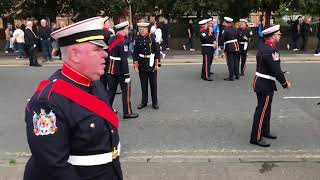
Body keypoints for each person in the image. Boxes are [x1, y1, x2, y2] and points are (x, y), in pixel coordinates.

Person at [23, 17, 123, 180]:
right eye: (97, 49)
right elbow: (53, 167)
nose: (106, 53)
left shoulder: (94, 83)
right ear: (75, 54)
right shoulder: (48, 102)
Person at [250, 25, 291, 147]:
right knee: (262, 111)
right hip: (265, 84)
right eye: (278, 34)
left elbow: (269, 67)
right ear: (273, 36)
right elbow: (276, 71)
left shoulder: (265, 47)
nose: (279, 36)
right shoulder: (271, 50)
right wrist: (285, 83)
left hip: (263, 81)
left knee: (266, 109)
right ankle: (255, 137)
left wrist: (279, 74)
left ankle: (265, 131)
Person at [107, 21, 139, 119]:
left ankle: (106, 111)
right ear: (123, 30)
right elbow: (124, 61)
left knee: (111, 92)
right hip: (120, 71)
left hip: (111, 69)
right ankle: (127, 112)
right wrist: (126, 75)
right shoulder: (122, 43)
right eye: (127, 29)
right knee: (126, 91)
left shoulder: (112, 39)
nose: (128, 31)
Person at [133, 22, 161, 109]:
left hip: (151, 63)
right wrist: (135, 64)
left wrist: (158, 64)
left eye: (143, 29)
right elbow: (135, 52)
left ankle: (154, 102)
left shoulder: (152, 37)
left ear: (147, 29)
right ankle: (144, 102)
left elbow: (157, 51)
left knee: (153, 84)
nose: (141, 31)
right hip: (142, 63)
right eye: (140, 29)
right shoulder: (137, 38)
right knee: (143, 84)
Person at [221, 17, 240, 81]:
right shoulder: (235, 28)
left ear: (226, 22)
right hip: (236, 45)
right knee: (236, 61)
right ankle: (237, 75)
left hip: (229, 46)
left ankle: (231, 76)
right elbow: (238, 37)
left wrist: (221, 46)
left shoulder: (225, 29)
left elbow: (223, 38)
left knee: (230, 61)